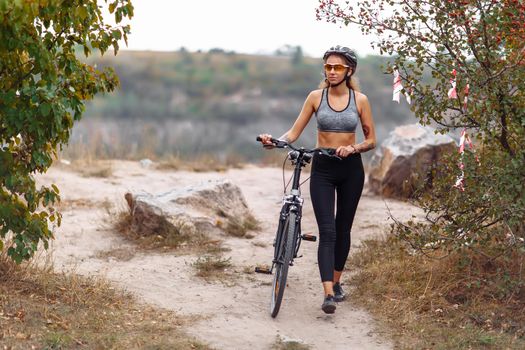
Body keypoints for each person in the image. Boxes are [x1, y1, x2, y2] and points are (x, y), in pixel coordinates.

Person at [258, 45, 377, 314]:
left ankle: (336, 282)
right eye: (328, 67)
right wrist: (275, 141)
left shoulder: (360, 100)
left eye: (337, 67)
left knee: (343, 228)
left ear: (350, 70)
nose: (332, 71)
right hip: (322, 168)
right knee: (328, 231)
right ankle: (327, 294)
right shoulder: (315, 97)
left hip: (351, 169)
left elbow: (371, 140)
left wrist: (353, 147)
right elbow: (294, 132)